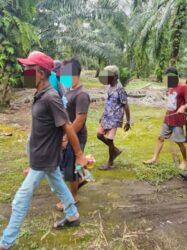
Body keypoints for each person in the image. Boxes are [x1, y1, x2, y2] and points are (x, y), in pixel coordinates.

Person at [0, 52, 87, 250]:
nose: (24, 73)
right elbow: (46, 130)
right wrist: (32, 162)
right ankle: (72, 215)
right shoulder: (40, 94)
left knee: (19, 200)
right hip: (43, 157)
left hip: (44, 158)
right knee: (57, 183)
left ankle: (5, 243)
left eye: (28, 69)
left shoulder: (50, 97)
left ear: (40, 73)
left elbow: (67, 126)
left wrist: (79, 155)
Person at [56, 58, 90, 211]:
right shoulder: (71, 91)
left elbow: (79, 121)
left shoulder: (82, 94)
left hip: (75, 136)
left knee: (72, 169)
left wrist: (66, 137)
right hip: (69, 135)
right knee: (68, 166)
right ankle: (84, 177)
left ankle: (73, 198)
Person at [143, 67, 187, 170]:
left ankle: (184, 160)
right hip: (168, 118)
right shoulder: (170, 86)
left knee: (179, 142)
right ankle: (155, 159)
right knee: (160, 138)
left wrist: (183, 107)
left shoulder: (183, 87)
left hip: (177, 119)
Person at [97, 65, 131, 170]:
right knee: (99, 135)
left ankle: (110, 162)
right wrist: (102, 115)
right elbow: (108, 103)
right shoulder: (109, 87)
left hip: (115, 117)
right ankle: (115, 150)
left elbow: (125, 105)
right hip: (107, 116)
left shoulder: (120, 89)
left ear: (115, 76)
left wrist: (128, 121)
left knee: (110, 139)